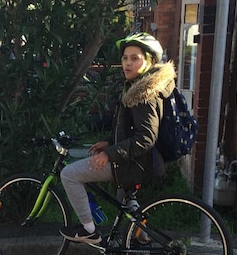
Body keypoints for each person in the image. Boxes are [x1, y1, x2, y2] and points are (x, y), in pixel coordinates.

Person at [59, 33, 176, 244]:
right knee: (126, 203)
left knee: (69, 174)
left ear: (148, 61)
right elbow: (130, 130)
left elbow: (145, 138)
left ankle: (88, 230)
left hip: (134, 162)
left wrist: (108, 154)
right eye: (125, 58)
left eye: (135, 58)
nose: (128, 63)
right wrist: (109, 142)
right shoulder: (137, 86)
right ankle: (142, 241)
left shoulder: (144, 93)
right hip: (139, 161)